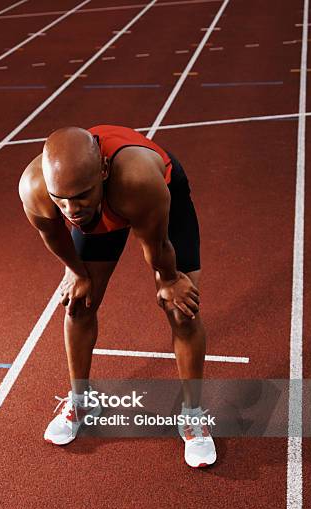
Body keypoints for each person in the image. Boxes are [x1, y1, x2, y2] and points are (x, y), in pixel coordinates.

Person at [18, 124, 216, 468]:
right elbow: (54, 236)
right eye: (60, 199)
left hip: (157, 200)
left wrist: (169, 280)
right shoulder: (35, 188)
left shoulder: (137, 180)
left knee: (183, 310)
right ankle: (81, 401)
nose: (70, 209)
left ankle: (192, 415)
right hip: (104, 207)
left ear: (103, 171)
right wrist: (77, 273)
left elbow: (157, 245)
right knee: (78, 305)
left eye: (79, 195)